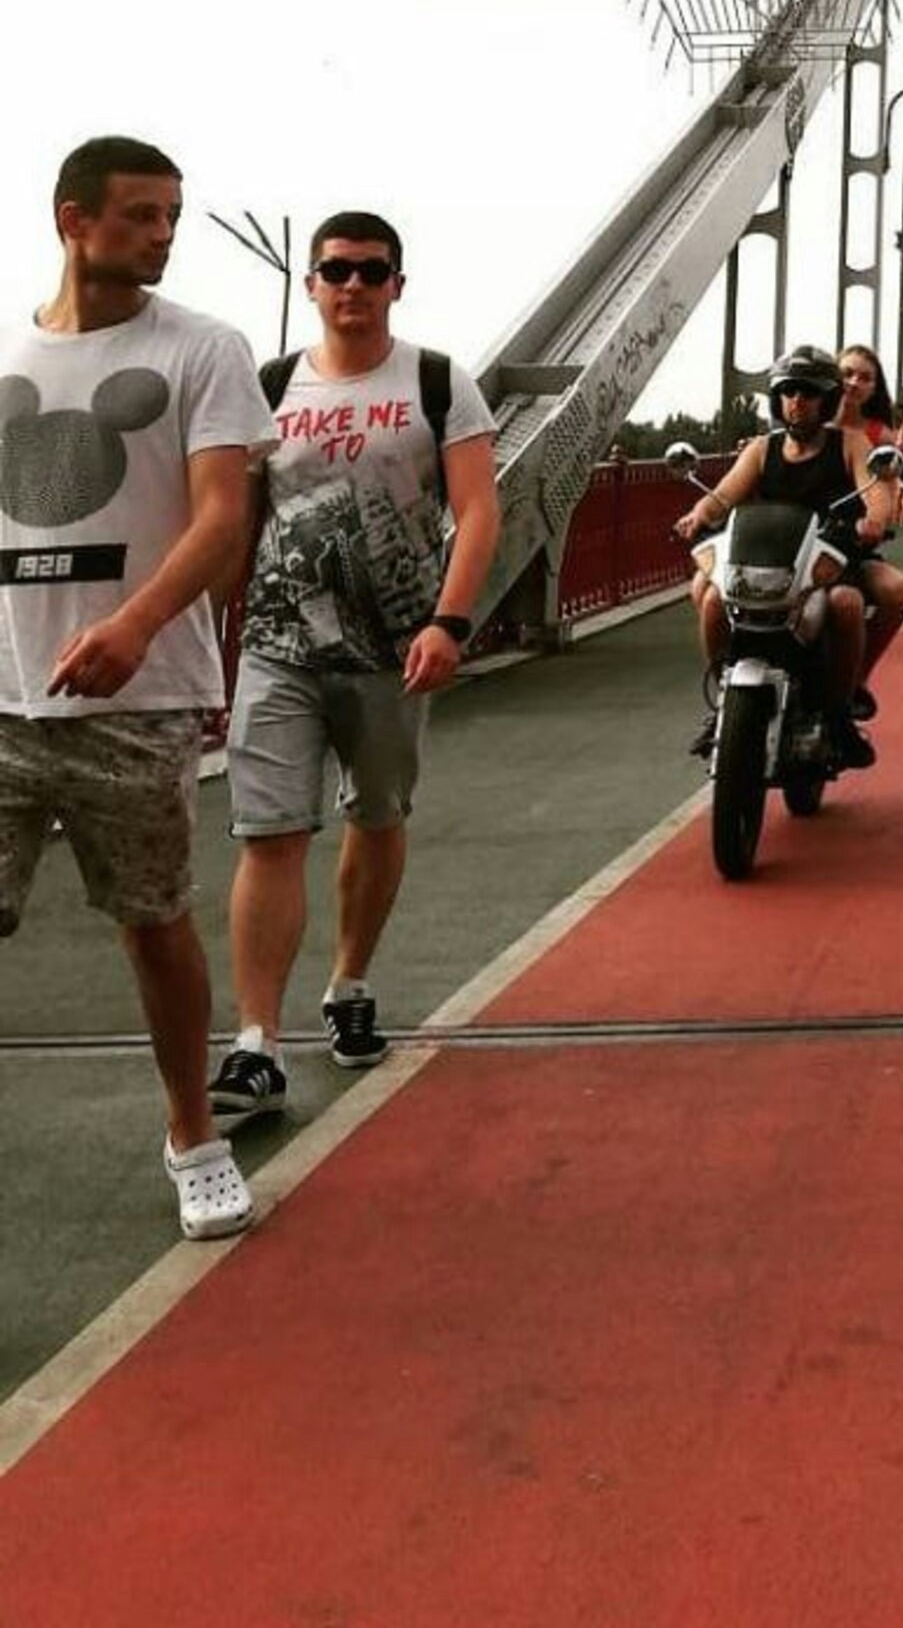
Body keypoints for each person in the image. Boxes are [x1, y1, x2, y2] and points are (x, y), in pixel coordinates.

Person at [1, 136, 274, 1239]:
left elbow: (224, 516)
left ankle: (191, 1133)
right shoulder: (10, 353)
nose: (164, 233)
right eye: (141, 214)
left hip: (141, 694)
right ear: (75, 220)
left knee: (153, 922)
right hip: (6, 695)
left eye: (172, 214)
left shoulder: (205, 349)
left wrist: (134, 622)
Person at [212, 210, 500, 1117]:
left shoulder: (437, 381)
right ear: (311, 282)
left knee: (377, 816)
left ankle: (348, 983)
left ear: (396, 284)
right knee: (270, 832)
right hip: (279, 642)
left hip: (393, 649)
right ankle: (256, 1040)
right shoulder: (267, 387)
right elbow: (235, 518)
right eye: (335, 269)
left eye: (371, 270)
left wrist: (450, 621)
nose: (353, 284)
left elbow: (479, 509)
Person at [674, 349, 901, 765]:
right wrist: (698, 514)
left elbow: (875, 488)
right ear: (777, 399)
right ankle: (724, 702)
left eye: (810, 392)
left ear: (827, 400)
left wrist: (874, 519)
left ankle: (838, 713)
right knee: (710, 598)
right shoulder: (764, 448)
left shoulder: (848, 443)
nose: (798, 400)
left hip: (824, 560)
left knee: (847, 604)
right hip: (765, 559)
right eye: (789, 391)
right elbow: (724, 495)